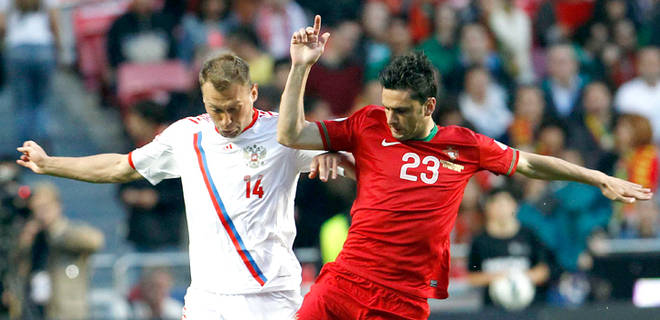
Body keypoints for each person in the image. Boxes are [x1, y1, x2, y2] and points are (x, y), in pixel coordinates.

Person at [277, 15, 652, 319]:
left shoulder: (465, 145)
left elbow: (532, 164)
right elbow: (292, 134)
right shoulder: (368, 123)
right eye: (387, 106)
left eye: (401, 110)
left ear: (428, 106)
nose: (390, 118)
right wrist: (300, 67)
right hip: (344, 282)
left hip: (402, 299)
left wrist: (597, 177)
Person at [16, 52, 352, 319]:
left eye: (234, 109)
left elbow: (357, 152)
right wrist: (49, 164)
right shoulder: (186, 136)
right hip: (209, 298)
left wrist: (331, 154)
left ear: (253, 93)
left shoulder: (284, 134)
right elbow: (120, 166)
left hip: (271, 297)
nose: (226, 121)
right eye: (215, 110)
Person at [467, 188, 550, 309]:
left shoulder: (529, 235)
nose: (501, 208)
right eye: (497, 203)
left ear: (514, 205)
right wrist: (497, 278)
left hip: (529, 309)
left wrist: (519, 278)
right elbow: (472, 277)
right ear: (488, 208)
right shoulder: (479, 241)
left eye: (505, 203)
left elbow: (543, 271)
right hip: (492, 310)